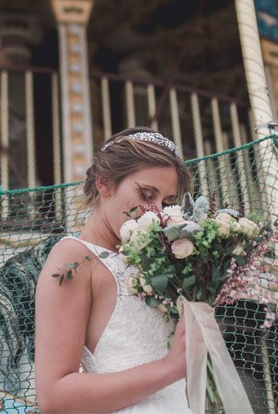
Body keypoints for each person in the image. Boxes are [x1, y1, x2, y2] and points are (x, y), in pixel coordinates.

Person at [35, 127, 192, 413]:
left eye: (167, 203)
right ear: (104, 184)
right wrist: (169, 368)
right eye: (146, 194)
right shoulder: (74, 258)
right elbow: (54, 395)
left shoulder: (158, 263)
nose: (156, 212)